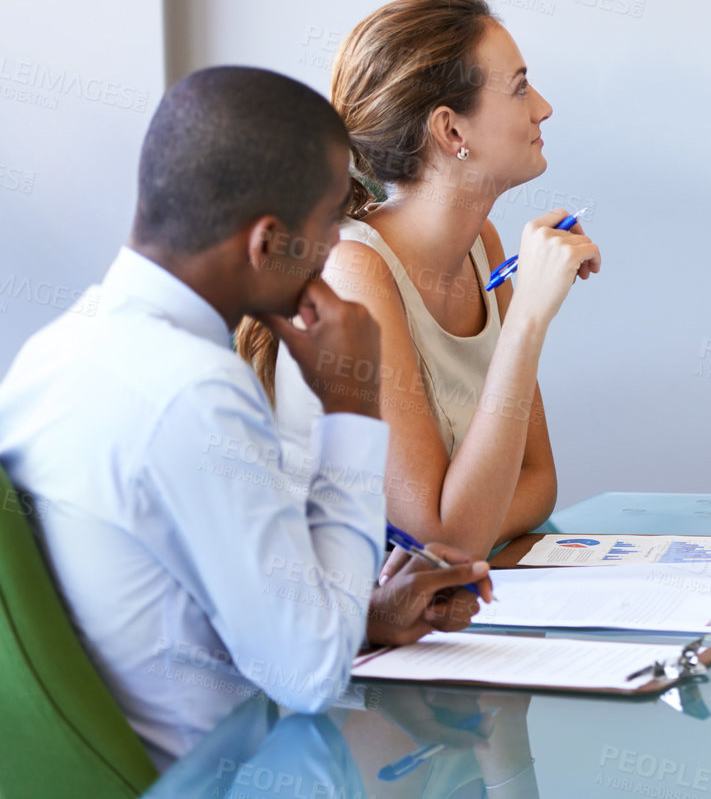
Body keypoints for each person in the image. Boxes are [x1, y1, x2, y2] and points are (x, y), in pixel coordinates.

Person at [0, 67, 490, 769]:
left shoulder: (56, 350)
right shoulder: (193, 391)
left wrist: (364, 613)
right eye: (329, 228)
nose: (335, 251)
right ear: (268, 244)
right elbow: (311, 673)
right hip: (234, 773)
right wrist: (351, 408)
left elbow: (191, 605)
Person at [240, 0, 598, 559]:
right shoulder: (354, 272)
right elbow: (440, 539)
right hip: (360, 634)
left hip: (460, 606)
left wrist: (464, 522)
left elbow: (538, 484)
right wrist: (528, 316)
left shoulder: (484, 246)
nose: (544, 108)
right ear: (451, 132)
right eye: (521, 87)